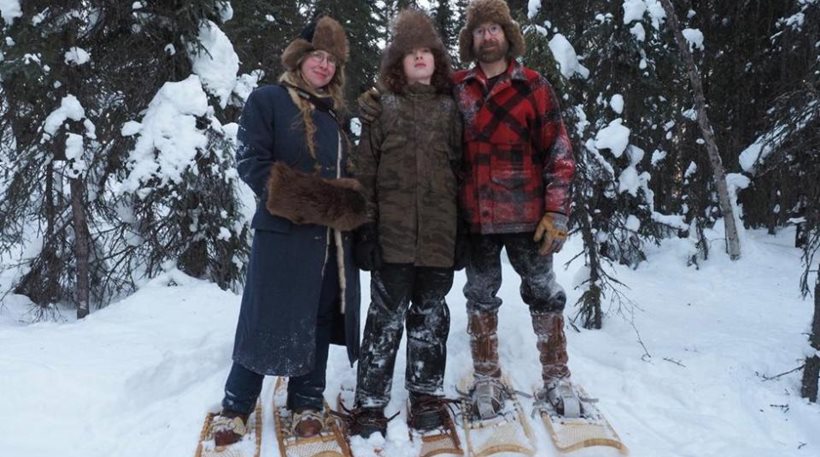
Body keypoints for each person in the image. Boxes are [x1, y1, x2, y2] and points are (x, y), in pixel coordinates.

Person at [359, 0, 578, 420]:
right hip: (478, 219)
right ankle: (487, 378)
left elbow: (559, 150)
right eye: (479, 31)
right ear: (470, 40)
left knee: (545, 294)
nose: (488, 36)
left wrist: (558, 211)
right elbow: (410, 97)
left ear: (508, 35)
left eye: (495, 28)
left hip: (529, 217)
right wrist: (375, 96)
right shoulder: (457, 89)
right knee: (480, 297)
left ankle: (557, 376)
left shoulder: (534, 85)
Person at [210, 16, 368, 446]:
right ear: (299, 60)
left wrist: (354, 204)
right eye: (317, 57)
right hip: (282, 236)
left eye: (332, 60)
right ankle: (237, 405)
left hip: (330, 246)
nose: (324, 66)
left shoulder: (335, 116)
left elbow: (352, 175)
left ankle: (307, 401)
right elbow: (251, 162)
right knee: (265, 316)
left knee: (317, 317)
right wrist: (317, 201)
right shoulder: (268, 100)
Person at [346, 8, 464, 438]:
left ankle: (426, 394)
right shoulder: (382, 109)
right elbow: (366, 173)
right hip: (391, 238)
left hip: (439, 236)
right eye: (409, 52)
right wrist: (366, 228)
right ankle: (371, 402)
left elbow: (463, 171)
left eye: (426, 52)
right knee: (385, 318)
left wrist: (463, 231)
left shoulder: (452, 110)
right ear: (397, 61)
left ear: (437, 59)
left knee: (430, 317)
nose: (419, 58)